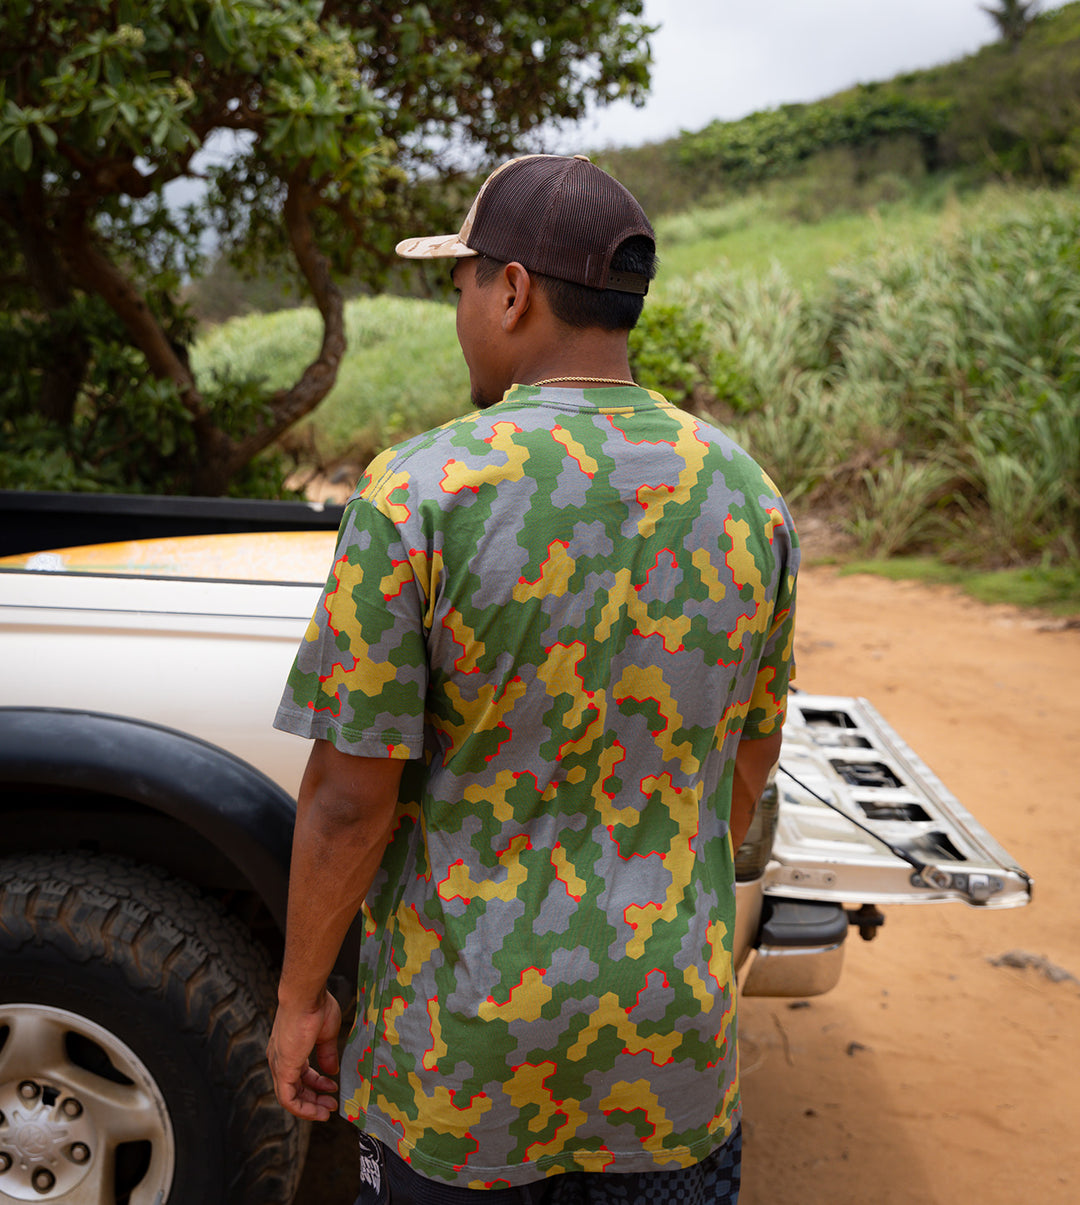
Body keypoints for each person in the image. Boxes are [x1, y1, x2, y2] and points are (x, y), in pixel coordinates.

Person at [267, 153, 799, 1205]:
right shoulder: (748, 495)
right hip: (669, 1059)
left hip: (460, 1070)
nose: (459, 307)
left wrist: (297, 999)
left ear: (511, 291)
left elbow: (346, 802)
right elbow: (754, 752)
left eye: (461, 281)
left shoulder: (422, 490)